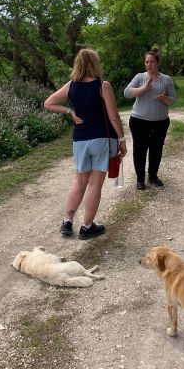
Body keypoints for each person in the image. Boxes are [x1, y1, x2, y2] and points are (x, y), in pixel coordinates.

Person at [44, 48, 127, 239]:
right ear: (95, 63)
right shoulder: (102, 86)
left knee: (80, 181)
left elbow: (48, 103)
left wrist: (69, 112)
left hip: (80, 140)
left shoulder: (71, 86)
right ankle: (87, 227)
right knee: (94, 185)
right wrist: (122, 139)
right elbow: (113, 117)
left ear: (78, 64)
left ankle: (67, 221)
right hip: (101, 140)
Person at [124, 49, 176, 190]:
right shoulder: (140, 77)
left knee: (156, 149)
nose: (149, 64)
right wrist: (143, 89)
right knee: (140, 149)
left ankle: (153, 176)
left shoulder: (166, 79)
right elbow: (127, 93)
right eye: (147, 62)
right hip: (139, 120)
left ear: (158, 63)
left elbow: (172, 100)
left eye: (152, 62)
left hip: (160, 121)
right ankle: (140, 179)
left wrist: (163, 98)